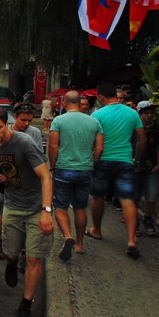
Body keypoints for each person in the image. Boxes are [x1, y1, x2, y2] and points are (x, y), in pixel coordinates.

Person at [0, 107, 54, 317]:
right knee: (10, 253)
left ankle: (26, 305)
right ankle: (11, 263)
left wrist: (46, 211)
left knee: (33, 258)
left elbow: (46, 176)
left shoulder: (24, 143)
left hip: (35, 209)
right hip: (12, 207)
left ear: (7, 124)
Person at [87, 83, 146, 258]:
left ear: (100, 97)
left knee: (97, 196)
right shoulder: (132, 113)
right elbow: (142, 139)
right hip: (125, 160)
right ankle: (131, 239)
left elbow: (93, 141)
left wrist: (92, 161)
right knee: (127, 199)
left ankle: (96, 230)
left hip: (103, 160)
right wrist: (137, 159)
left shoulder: (97, 115)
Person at [48, 91, 104, 259]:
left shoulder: (58, 121)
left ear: (64, 102)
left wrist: (52, 166)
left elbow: (53, 146)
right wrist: (91, 164)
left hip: (63, 168)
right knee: (80, 207)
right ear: (80, 103)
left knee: (60, 206)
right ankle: (79, 244)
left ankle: (67, 235)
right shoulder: (94, 121)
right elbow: (100, 148)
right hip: (85, 169)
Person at [0, 103, 43, 262]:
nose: (27, 124)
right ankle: (2, 243)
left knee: (29, 218)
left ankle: (23, 252)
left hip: (28, 184)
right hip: (7, 184)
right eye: (24, 120)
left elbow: (38, 159)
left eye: (30, 120)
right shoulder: (2, 131)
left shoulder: (34, 133)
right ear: (14, 117)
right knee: (3, 210)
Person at [134, 101, 159, 236]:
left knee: (151, 196)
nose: (150, 116)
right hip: (136, 167)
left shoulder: (158, 130)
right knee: (134, 197)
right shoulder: (134, 129)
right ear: (140, 114)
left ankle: (148, 219)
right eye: (146, 113)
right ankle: (134, 221)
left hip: (151, 167)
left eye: (152, 113)